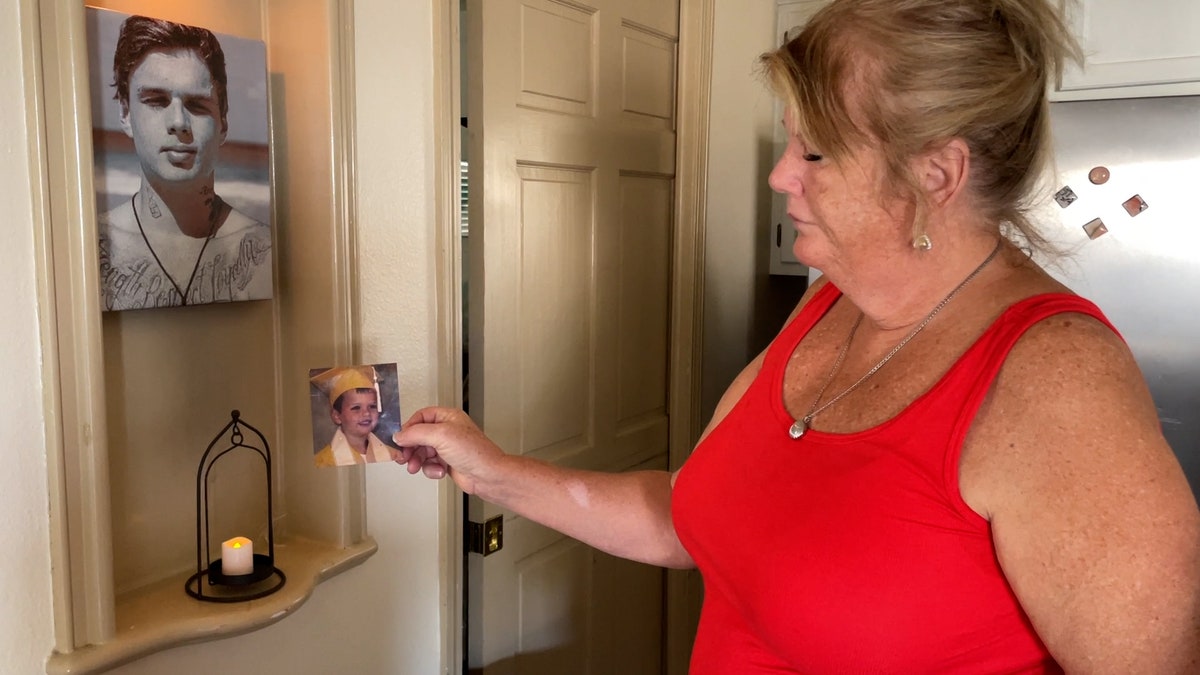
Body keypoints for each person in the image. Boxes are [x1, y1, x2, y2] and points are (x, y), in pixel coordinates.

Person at [392, 0, 1200, 671]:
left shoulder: (1056, 381)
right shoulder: (829, 305)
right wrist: (493, 472)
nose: (781, 174)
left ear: (937, 175)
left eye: (813, 149)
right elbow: (693, 514)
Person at [97, 15, 272, 311]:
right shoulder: (89, 250)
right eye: (156, 100)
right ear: (125, 114)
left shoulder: (266, 252)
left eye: (196, 104)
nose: (178, 122)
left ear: (223, 123)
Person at [310, 366, 396, 467]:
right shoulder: (323, 463)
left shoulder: (393, 455)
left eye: (372, 406)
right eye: (356, 408)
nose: (366, 413)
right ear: (337, 416)